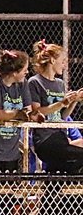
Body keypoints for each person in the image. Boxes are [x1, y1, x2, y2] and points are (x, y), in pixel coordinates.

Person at [29, 41, 83, 173]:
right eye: (63, 61)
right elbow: (37, 111)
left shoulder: (59, 84)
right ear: (53, 60)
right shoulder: (35, 82)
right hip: (45, 139)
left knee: (60, 167)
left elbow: (62, 116)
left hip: (60, 136)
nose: (65, 65)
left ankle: (51, 190)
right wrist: (62, 103)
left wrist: (74, 101)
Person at [0, 50, 37, 171]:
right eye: (24, 69)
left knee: (9, 186)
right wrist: (16, 114)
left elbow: (27, 110)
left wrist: (34, 115)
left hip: (11, 149)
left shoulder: (22, 84)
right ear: (15, 72)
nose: (27, 72)